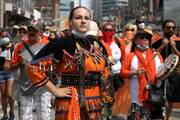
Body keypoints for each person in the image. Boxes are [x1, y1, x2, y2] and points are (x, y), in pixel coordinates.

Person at [25, 6, 113, 120]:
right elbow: (32, 67)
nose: (83, 21)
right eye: (78, 18)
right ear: (71, 21)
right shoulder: (61, 43)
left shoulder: (97, 44)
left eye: (86, 18)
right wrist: (55, 90)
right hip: (70, 102)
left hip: (95, 104)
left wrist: (104, 91)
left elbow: (106, 69)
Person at [11, 22, 52, 120]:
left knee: (44, 116)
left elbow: (51, 62)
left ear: (41, 32)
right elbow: (13, 67)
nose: (32, 32)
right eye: (30, 30)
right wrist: (20, 62)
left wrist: (42, 63)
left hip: (43, 86)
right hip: (26, 86)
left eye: (35, 30)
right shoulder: (19, 47)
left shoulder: (47, 45)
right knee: (24, 117)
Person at [121, 29, 164, 119]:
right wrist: (135, 72)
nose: (145, 39)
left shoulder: (156, 55)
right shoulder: (130, 56)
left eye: (147, 38)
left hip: (155, 95)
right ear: (136, 40)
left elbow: (162, 71)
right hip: (137, 96)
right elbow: (122, 72)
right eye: (142, 37)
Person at [152, 19, 180, 120]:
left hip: (174, 74)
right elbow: (151, 57)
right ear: (163, 29)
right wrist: (162, 46)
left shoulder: (178, 41)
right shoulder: (157, 42)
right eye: (168, 27)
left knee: (171, 99)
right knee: (158, 97)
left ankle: (167, 118)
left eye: (173, 27)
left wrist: (174, 47)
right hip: (160, 74)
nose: (171, 29)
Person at [113, 23, 137, 119]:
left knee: (130, 93)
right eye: (127, 29)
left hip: (133, 72)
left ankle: (129, 112)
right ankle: (119, 112)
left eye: (132, 30)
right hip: (122, 72)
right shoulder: (120, 41)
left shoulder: (137, 43)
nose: (129, 32)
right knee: (120, 92)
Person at [0, 36, 14, 120]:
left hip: (10, 73)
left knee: (9, 94)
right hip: (0, 73)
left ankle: (11, 111)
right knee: (3, 95)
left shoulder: (12, 50)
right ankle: (5, 115)